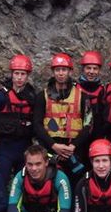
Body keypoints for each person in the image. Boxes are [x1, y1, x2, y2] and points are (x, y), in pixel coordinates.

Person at [33, 53, 91, 185]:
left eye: (64, 70)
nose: (61, 73)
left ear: (70, 71)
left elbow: (89, 125)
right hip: (50, 148)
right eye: (57, 70)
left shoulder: (83, 97)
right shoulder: (42, 96)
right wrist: (53, 146)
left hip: (75, 150)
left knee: (77, 182)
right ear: (53, 72)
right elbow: (37, 125)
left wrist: (73, 146)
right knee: (49, 183)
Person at [0, 55, 36, 185]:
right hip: (4, 149)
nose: (19, 77)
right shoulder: (0, 97)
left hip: (24, 149)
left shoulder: (32, 97)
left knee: (23, 184)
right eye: (16, 73)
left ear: (27, 76)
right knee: (0, 182)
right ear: (11, 74)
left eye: (23, 74)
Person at [76, 50, 105, 140]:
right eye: (88, 68)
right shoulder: (75, 89)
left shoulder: (103, 91)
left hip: (97, 135)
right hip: (77, 136)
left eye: (95, 68)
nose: (91, 72)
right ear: (83, 69)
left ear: (99, 70)